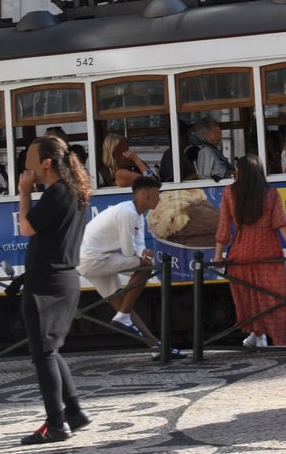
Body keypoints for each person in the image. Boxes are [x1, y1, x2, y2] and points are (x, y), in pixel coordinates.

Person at [17, 135, 92, 444]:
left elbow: (26, 227)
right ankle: (74, 411)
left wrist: (23, 193)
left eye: (28, 163)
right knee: (51, 349)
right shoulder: (75, 193)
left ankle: (56, 424)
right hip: (65, 279)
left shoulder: (55, 194)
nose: (24, 169)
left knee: (44, 354)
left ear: (45, 163)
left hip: (45, 282)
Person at [77, 176, 185, 359]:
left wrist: (143, 252)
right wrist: (142, 258)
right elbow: (128, 252)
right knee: (146, 268)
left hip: (91, 260)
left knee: (123, 307)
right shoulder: (126, 212)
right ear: (144, 193)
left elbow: (137, 245)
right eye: (156, 194)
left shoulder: (137, 214)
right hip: (94, 259)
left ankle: (158, 347)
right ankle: (124, 317)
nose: (159, 199)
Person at [213, 154, 286, 348]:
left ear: (240, 172)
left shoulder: (229, 192)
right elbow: (281, 223)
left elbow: (223, 227)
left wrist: (218, 255)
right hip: (268, 250)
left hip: (241, 251)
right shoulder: (270, 192)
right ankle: (282, 338)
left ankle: (257, 334)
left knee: (248, 295)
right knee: (275, 295)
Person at [191, 117, 233, 181]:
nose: (219, 134)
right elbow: (208, 175)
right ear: (206, 134)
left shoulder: (213, 150)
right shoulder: (205, 151)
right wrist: (232, 173)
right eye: (215, 131)